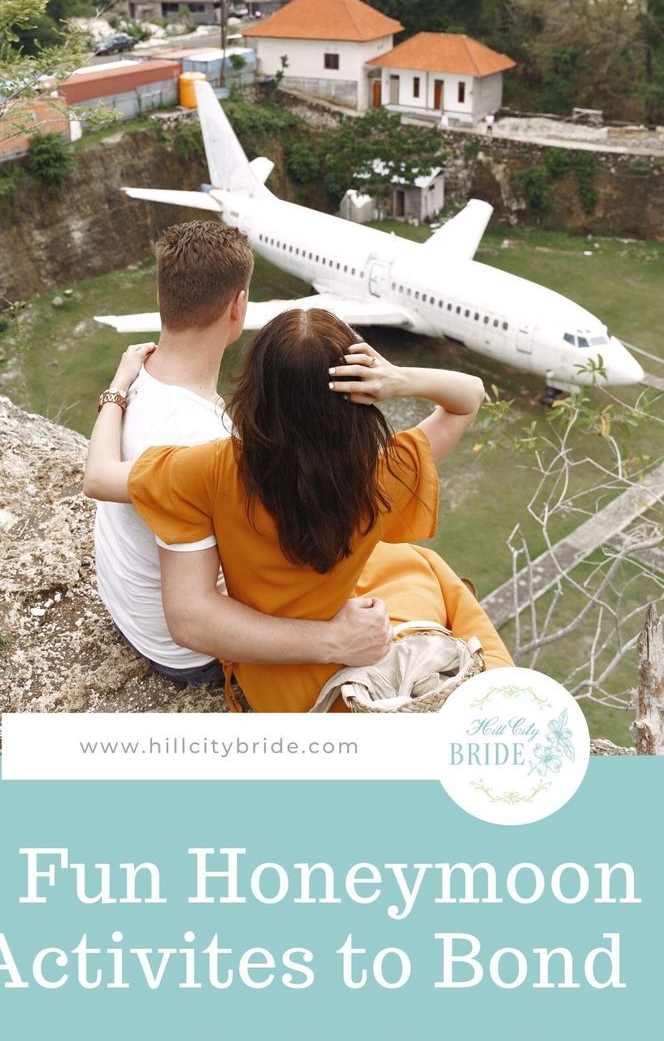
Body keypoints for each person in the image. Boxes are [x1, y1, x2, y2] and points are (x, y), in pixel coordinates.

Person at [85, 308, 513, 713]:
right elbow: (468, 396)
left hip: (275, 680)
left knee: (415, 566)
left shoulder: (208, 468)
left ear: (254, 388)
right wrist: (398, 380)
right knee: (426, 568)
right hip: (347, 649)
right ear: (358, 393)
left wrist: (119, 388)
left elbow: (99, 477)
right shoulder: (387, 468)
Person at [91, 221, 394, 688]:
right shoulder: (198, 444)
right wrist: (335, 640)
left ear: (161, 296)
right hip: (190, 655)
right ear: (239, 306)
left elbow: (100, 476)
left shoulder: (142, 378)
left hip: (131, 613)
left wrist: (115, 388)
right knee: (390, 580)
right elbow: (192, 621)